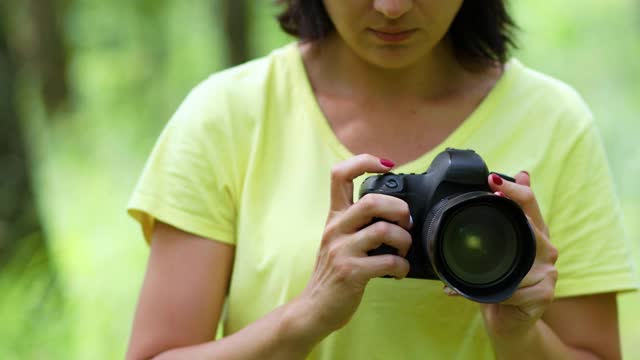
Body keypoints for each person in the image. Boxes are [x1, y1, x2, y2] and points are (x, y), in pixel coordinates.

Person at [125, 1, 638, 359]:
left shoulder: (554, 120)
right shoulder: (228, 116)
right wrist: (307, 315)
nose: (392, 7)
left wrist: (520, 336)